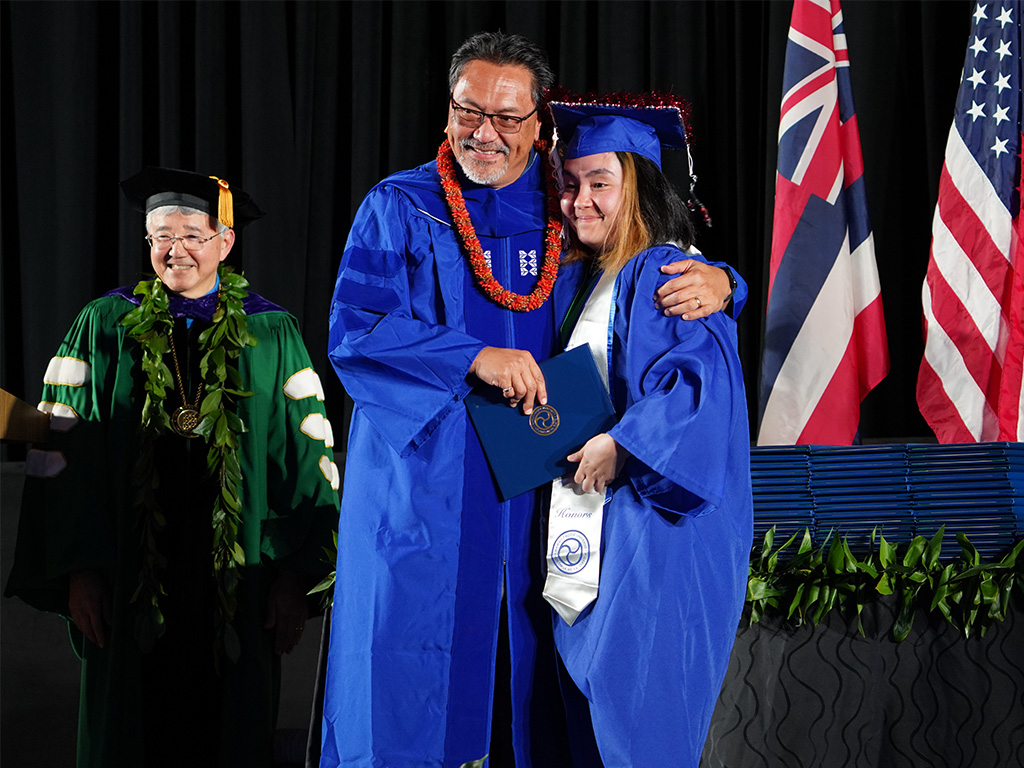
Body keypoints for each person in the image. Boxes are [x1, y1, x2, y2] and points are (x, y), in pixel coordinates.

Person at [320, 32, 746, 768]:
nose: (485, 132)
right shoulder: (400, 208)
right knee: (408, 701)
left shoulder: (562, 215)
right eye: (469, 111)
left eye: (508, 118)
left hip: (541, 506)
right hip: (424, 506)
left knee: (540, 712)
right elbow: (355, 332)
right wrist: (475, 356)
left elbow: (637, 288)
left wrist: (724, 283)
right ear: (448, 110)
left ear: (539, 125)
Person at [5, 167, 340, 768]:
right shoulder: (104, 325)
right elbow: (60, 448)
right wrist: (79, 569)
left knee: (229, 730)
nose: (175, 250)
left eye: (191, 234)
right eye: (161, 235)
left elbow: (304, 458)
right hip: (127, 575)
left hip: (241, 581)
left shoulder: (271, 331)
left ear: (225, 242)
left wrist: (295, 576)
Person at [544, 96, 753, 767]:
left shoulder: (668, 272)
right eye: (571, 185)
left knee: (644, 728)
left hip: (657, 540)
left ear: (638, 185)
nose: (580, 201)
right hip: (606, 540)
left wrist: (620, 445)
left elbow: (694, 390)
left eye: (600, 183)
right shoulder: (588, 280)